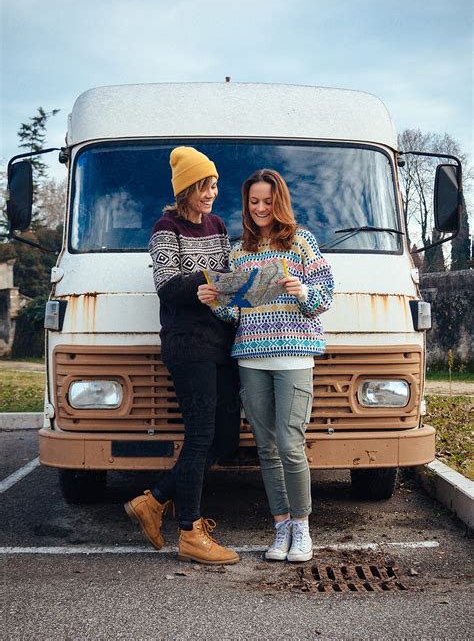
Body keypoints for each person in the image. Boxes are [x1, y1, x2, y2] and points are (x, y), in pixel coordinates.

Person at [198, 169, 334, 562]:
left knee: (290, 445)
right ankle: (281, 527)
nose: (260, 208)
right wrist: (215, 300)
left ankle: (303, 529)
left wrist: (302, 289)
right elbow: (234, 312)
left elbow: (324, 296)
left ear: (280, 201)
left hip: (294, 355)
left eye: (267, 201)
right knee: (266, 448)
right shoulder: (239, 251)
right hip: (251, 357)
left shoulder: (302, 243)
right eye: (253, 202)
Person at [125, 146, 241, 565]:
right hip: (188, 345)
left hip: (222, 343)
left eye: (214, 185)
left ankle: (154, 501)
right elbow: (167, 285)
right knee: (200, 437)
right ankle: (190, 532)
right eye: (205, 186)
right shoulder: (164, 228)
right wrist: (206, 282)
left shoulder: (218, 224)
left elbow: (228, 275)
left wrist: (238, 282)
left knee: (225, 438)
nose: (212, 192)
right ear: (187, 188)